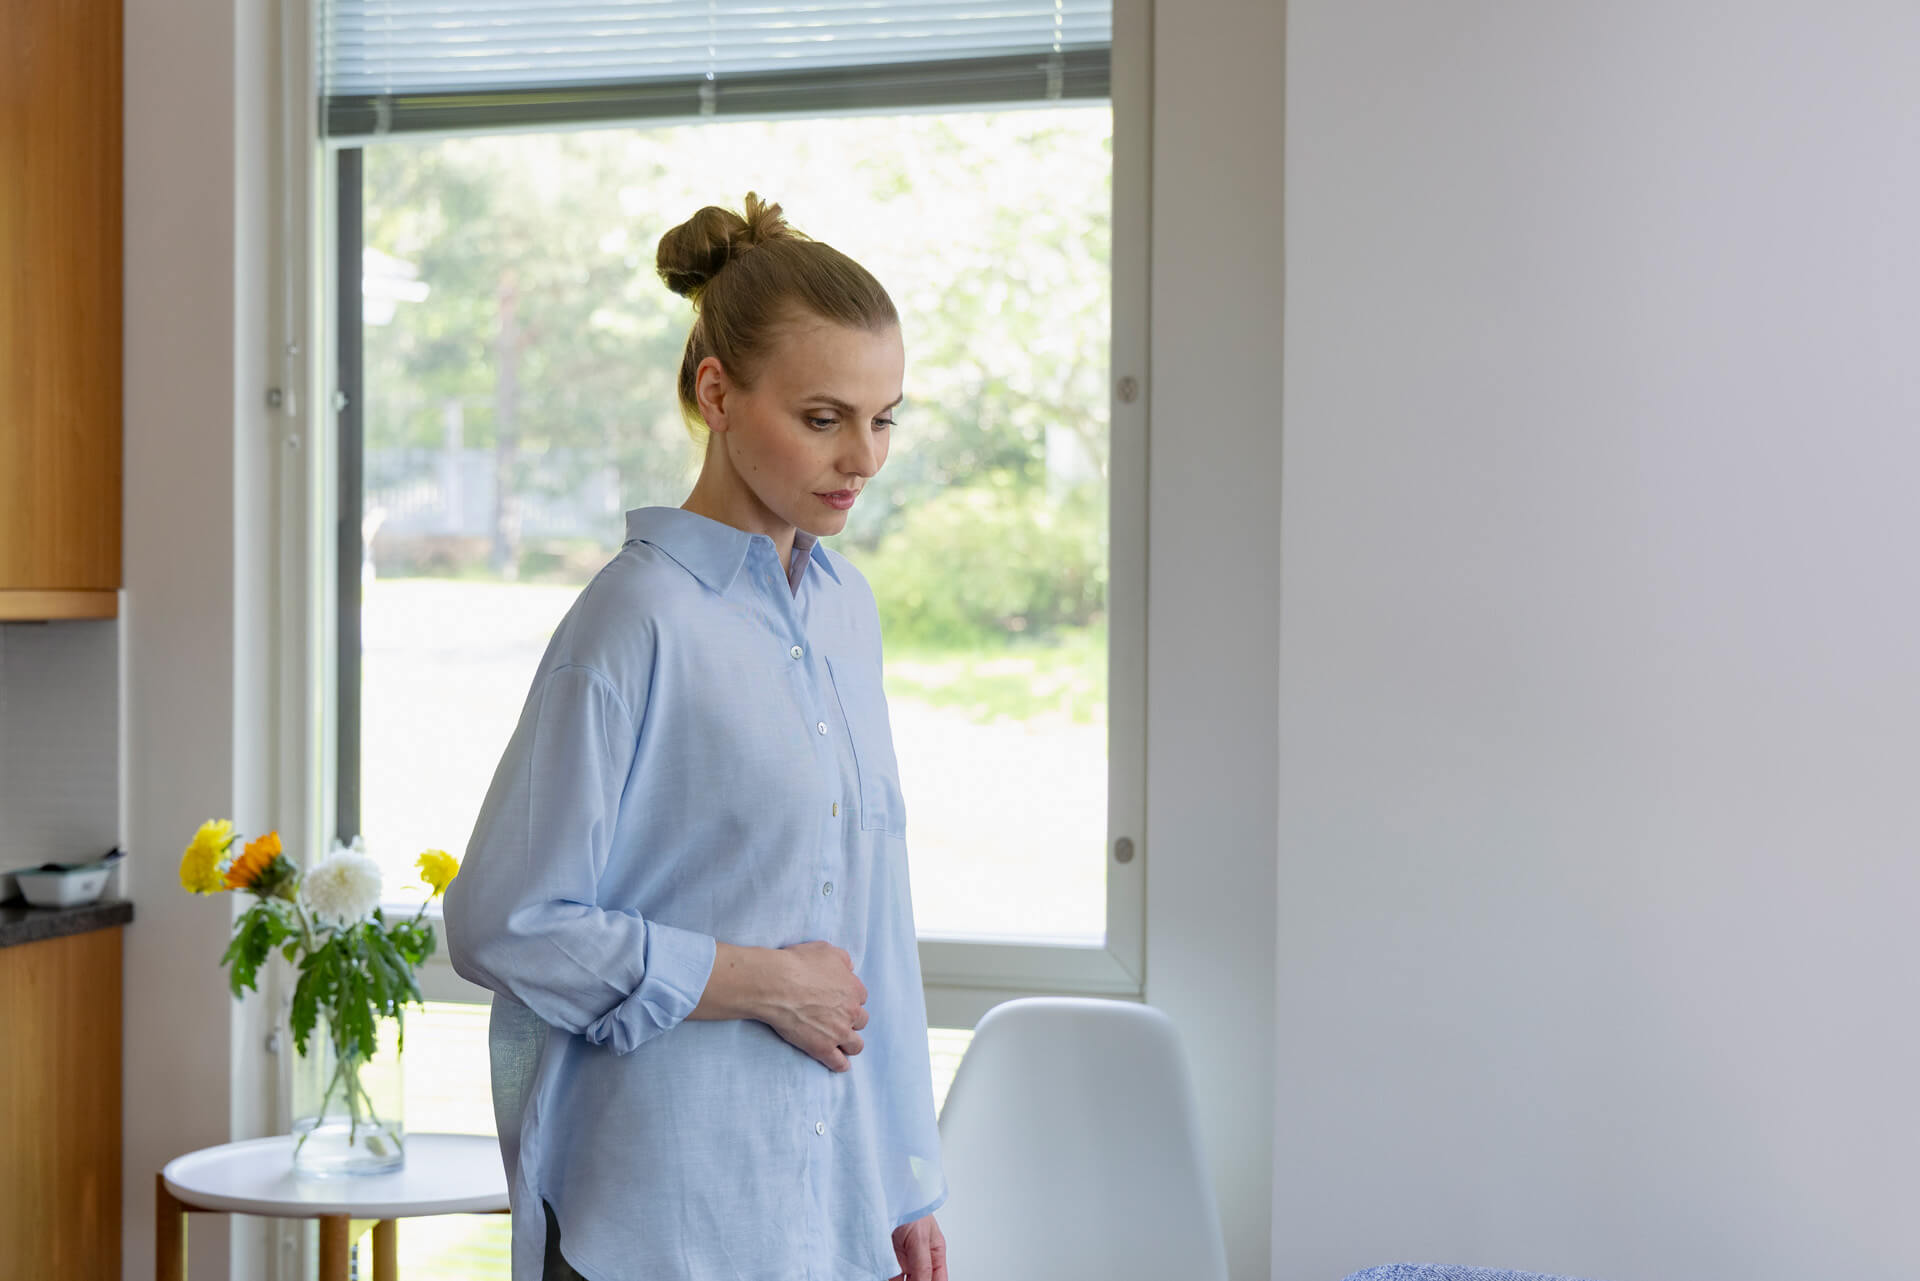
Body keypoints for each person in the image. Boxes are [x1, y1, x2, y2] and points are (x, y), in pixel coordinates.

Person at [444, 192, 950, 1281]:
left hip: (831, 1215)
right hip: (664, 1221)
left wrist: (908, 1177)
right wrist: (759, 979)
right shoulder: (635, 620)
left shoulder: (844, 612)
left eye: (886, 416)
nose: (864, 456)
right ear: (717, 392)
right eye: (824, 418)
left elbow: (875, 916)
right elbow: (504, 920)